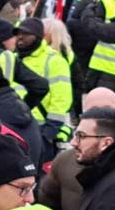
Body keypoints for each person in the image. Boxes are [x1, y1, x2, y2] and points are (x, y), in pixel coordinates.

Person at [15, 17, 72, 160]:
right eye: (18, 33)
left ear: (38, 36)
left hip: (40, 128)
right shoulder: (11, 58)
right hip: (14, 126)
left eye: (26, 34)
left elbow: (62, 99)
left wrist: (49, 132)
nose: (20, 37)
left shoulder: (54, 60)